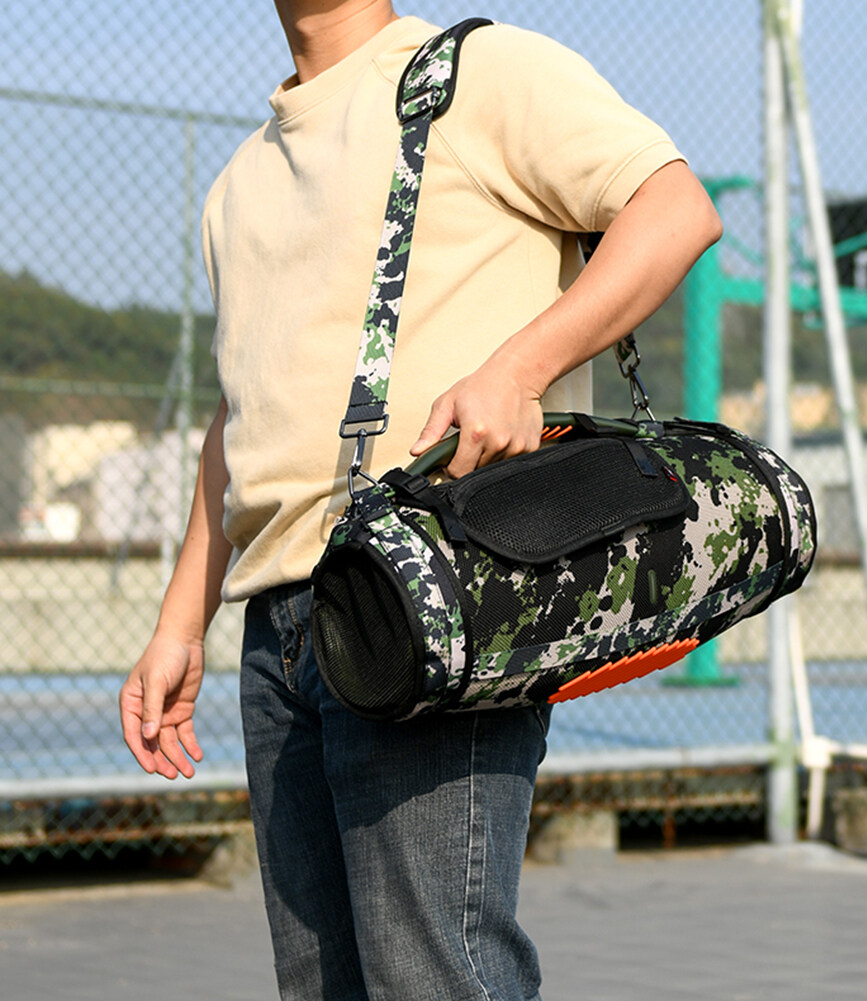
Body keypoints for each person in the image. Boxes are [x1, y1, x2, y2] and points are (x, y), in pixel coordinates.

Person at [119, 2, 722, 998]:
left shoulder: (476, 74)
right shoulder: (238, 183)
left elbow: (674, 210)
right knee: (320, 983)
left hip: (434, 595)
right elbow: (243, 413)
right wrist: (180, 621)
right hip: (278, 630)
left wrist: (518, 367)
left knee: (431, 975)